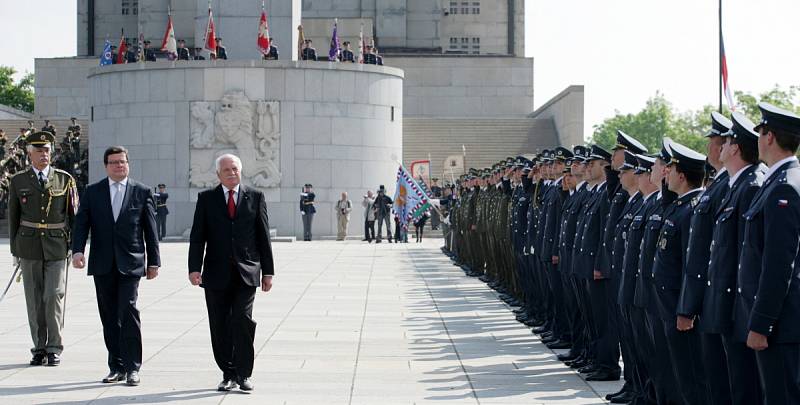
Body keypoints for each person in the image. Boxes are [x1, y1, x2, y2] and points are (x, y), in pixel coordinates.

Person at [71, 146, 160, 386]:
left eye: (122, 162)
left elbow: (150, 231)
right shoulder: (93, 191)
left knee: (128, 312)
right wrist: (78, 251)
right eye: (113, 162)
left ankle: (133, 367)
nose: (119, 165)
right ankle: (116, 366)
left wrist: (154, 262)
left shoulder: (142, 192)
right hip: (102, 263)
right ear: (106, 166)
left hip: (131, 263)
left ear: (128, 164)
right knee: (109, 316)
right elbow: (81, 224)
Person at [188, 154, 274, 392]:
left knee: (242, 320)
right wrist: (194, 268)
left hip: (246, 272)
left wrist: (268, 272)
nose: (231, 172)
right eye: (226, 170)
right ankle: (228, 372)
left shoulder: (255, 197)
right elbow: (198, 236)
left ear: (241, 170)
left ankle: (244, 373)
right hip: (215, 273)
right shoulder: (206, 199)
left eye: (234, 168)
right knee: (219, 324)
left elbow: (263, 236)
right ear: (218, 174)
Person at [737, 102, 800, 405]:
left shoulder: (783, 188)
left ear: (769, 137)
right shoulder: (779, 182)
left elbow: (778, 265)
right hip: (781, 322)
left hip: (780, 326)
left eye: (760, 131)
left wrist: (761, 324)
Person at [8, 131, 78, 367]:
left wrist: (75, 247)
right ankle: (39, 347)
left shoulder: (64, 179)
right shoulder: (18, 180)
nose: (44, 154)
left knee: (53, 295)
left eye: (47, 150)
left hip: (57, 245)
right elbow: (13, 217)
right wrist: (15, 251)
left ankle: (54, 347)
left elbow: (73, 215)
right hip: (28, 246)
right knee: (34, 298)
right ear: (29, 154)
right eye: (38, 151)